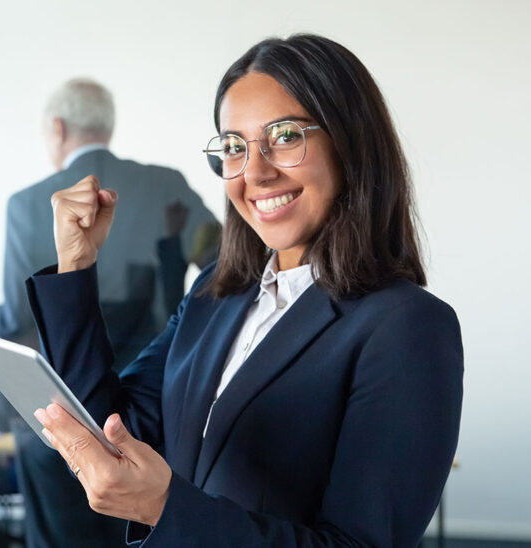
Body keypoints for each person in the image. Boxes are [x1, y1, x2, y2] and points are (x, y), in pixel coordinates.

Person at [28, 34, 463, 547]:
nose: (254, 172)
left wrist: (164, 509)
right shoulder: (215, 297)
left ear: (350, 143)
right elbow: (113, 428)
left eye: (284, 137)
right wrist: (77, 265)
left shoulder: (407, 326)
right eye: (234, 146)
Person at [0, 78, 217, 547]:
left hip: (52, 424)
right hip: (151, 422)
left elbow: (17, 320)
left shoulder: (26, 204)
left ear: (57, 127)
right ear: (106, 125)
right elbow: (229, 267)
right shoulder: (167, 185)